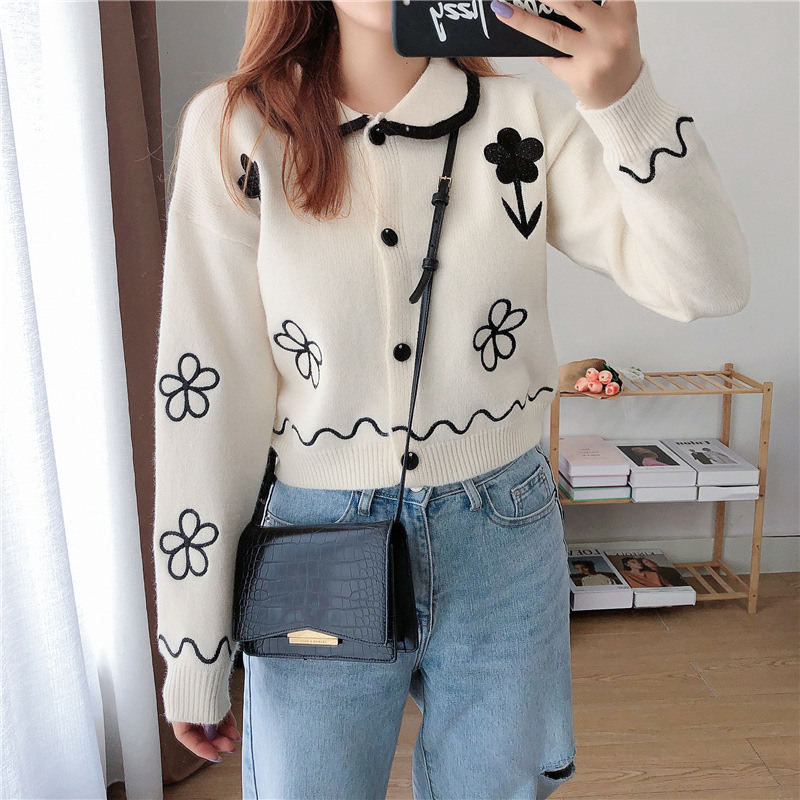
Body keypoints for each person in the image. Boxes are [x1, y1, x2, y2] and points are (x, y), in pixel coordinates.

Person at [152, 1, 750, 797]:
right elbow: (205, 392)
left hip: (504, 535)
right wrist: (194, 649)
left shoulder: (523, 123)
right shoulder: (238, 130)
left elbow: (709, 284)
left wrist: (624, 99)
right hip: (315, 542)